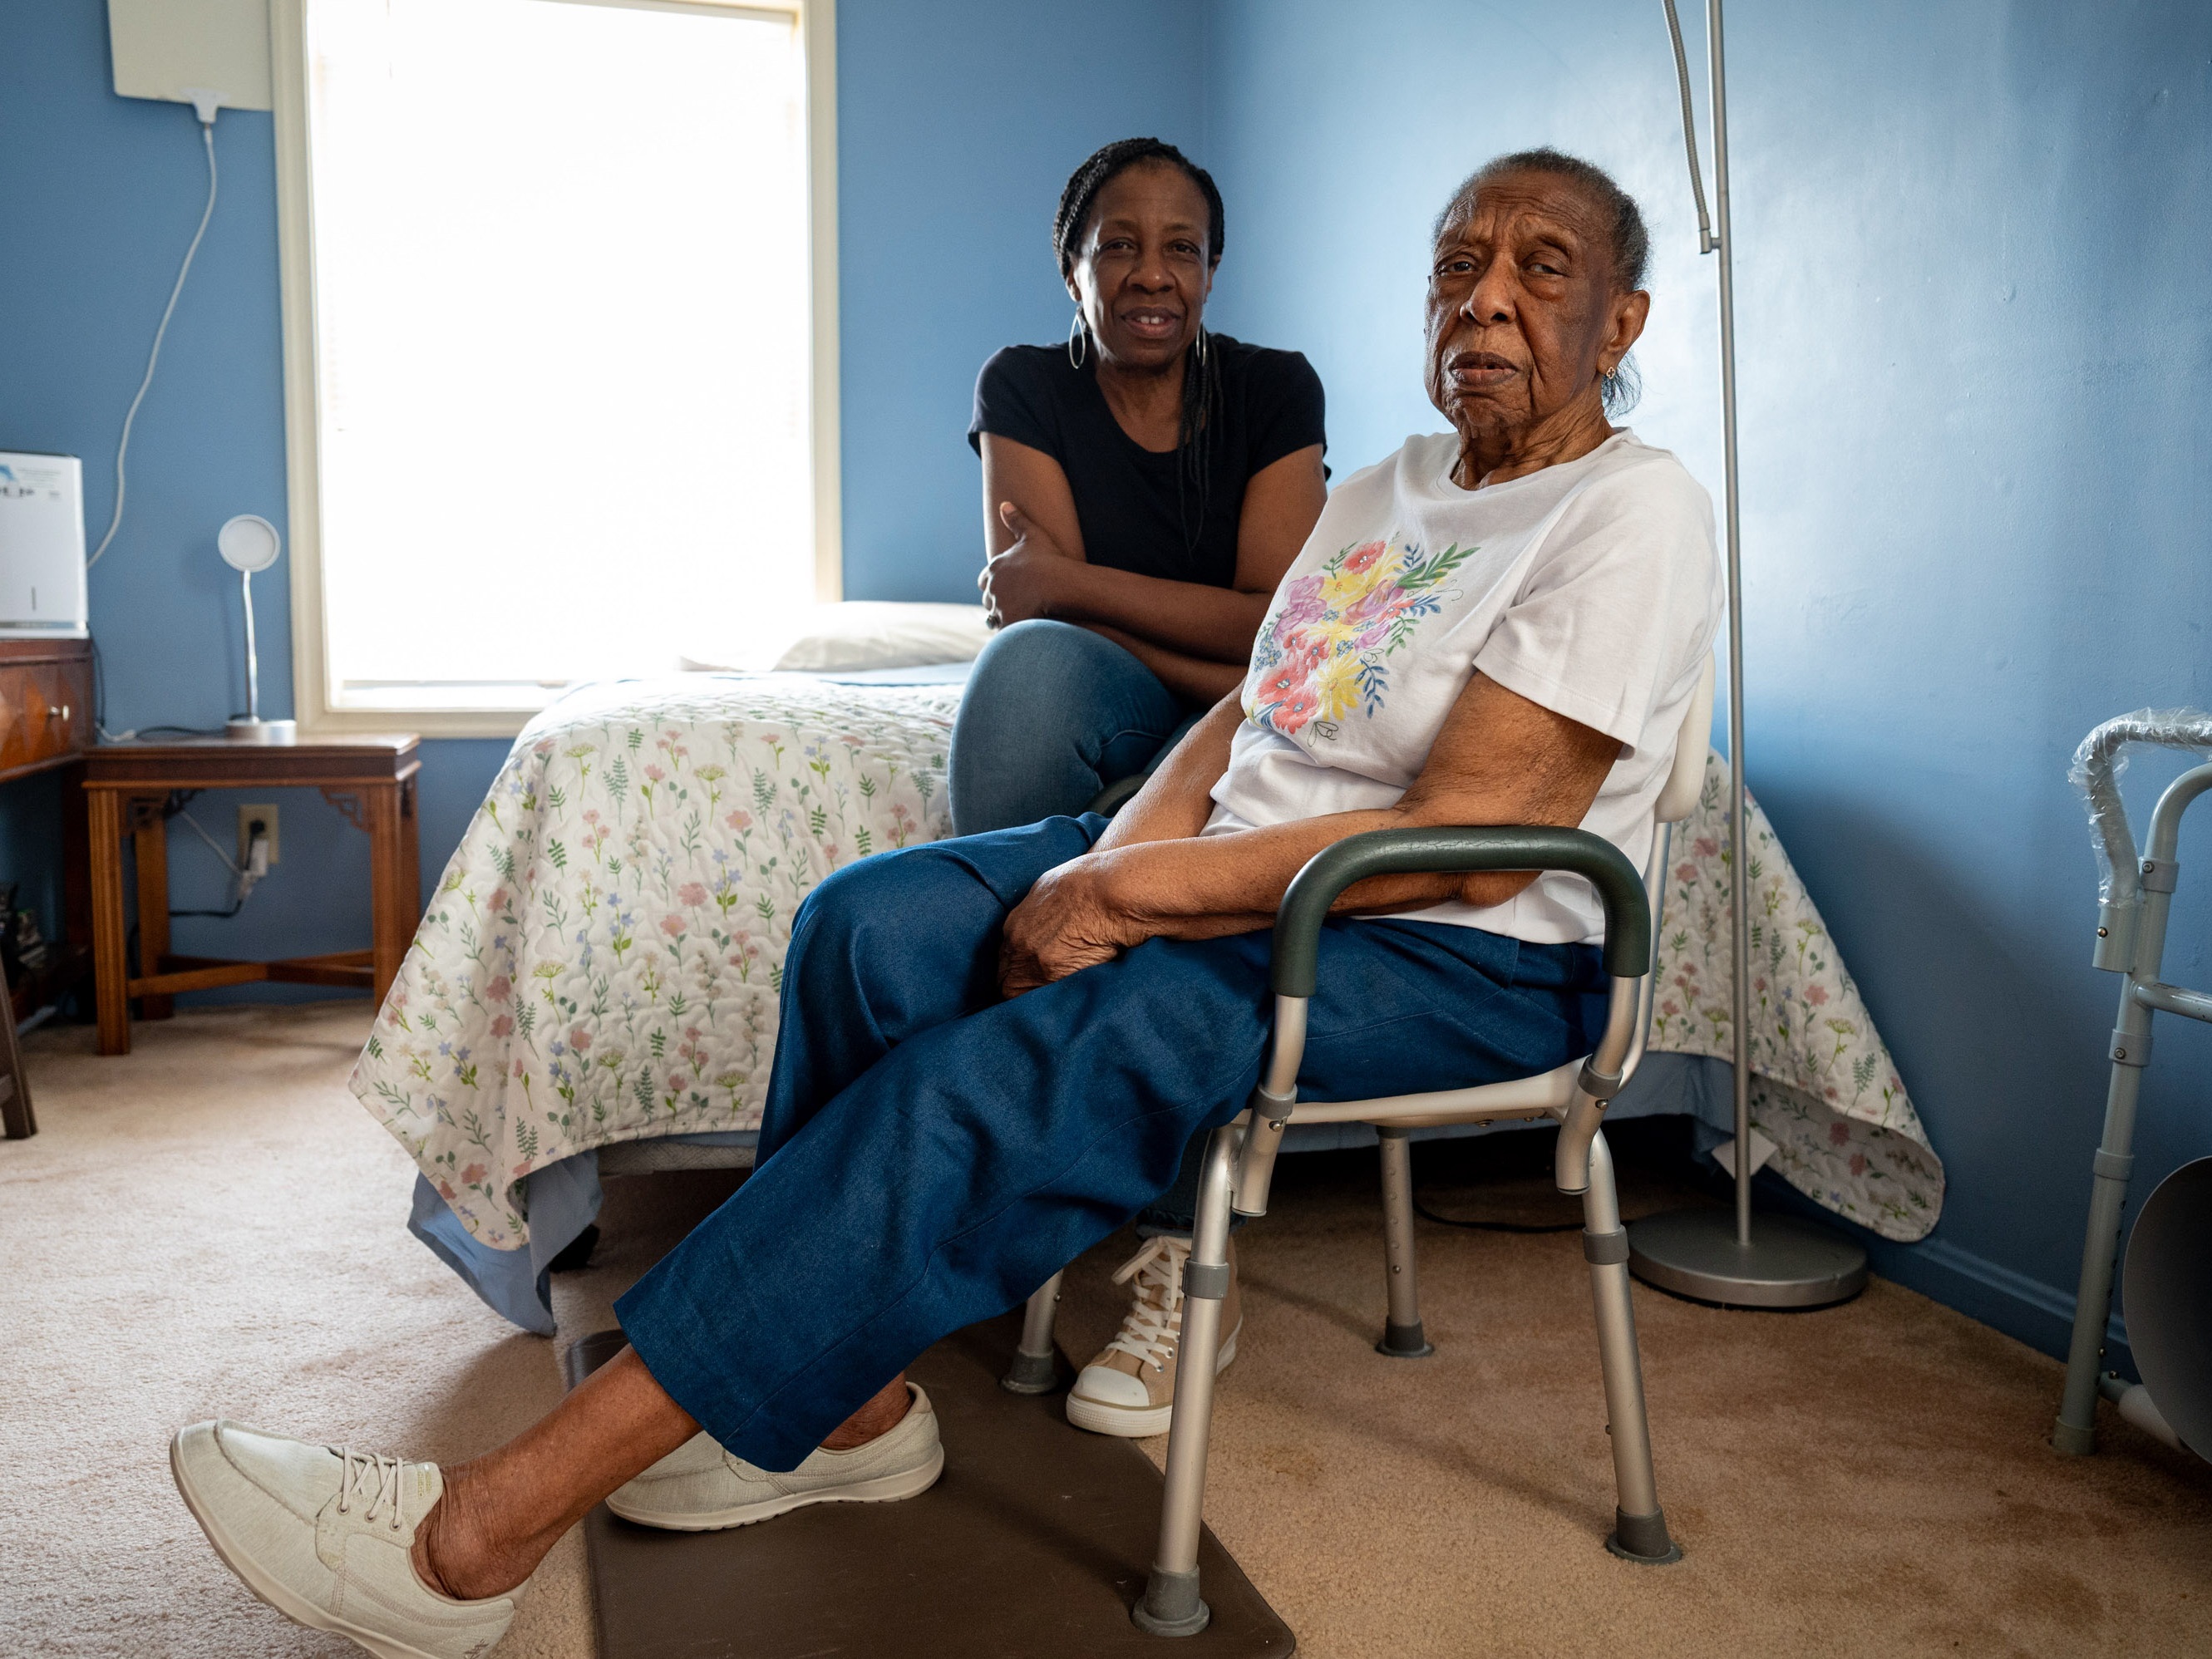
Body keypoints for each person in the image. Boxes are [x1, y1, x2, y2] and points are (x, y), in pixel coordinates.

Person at [170, 148, 1720, 1659]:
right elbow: (1248, 714)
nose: (1486, 303)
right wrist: (1109, 860)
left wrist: (1133, 903)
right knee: (872, 920)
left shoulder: (1625, 513)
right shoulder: (1385, 488)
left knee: (1027, 1066)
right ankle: (840, 1410)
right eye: (1457, 266)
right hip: (1252, 877)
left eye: (1541, 270)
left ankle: (471, 1541)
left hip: (1449, 947)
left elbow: (1470, 842)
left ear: (1622, 322)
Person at [950, 139, 1329, 1428]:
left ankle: (1154, 1227)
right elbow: (1029, 632)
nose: (1149, 272)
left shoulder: (1275, 392)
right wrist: (1166, 622)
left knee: (1124, 696)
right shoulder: (1022, 383)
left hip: (1244, 725)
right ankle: (1012, 1120)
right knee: (1032, 683)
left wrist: (1073, 585)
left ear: (1213, 272)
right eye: (1118, 243)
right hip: (1098, 696)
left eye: (1180, 247)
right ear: (1071, 266)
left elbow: (1281, 644)